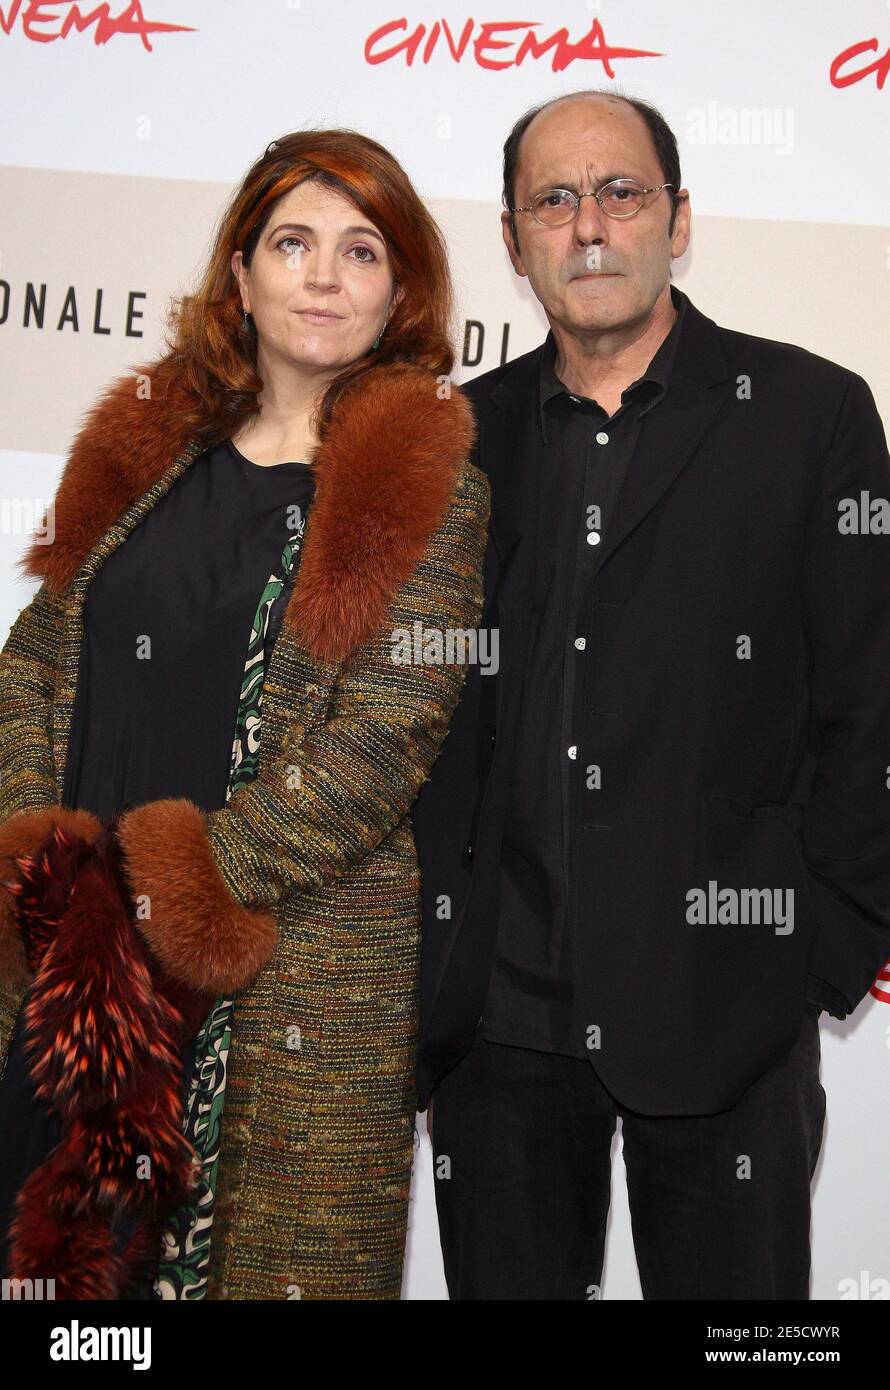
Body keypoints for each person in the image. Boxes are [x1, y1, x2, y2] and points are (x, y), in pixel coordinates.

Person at [412, 89, 890, 1299]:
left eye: (620, 192)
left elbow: (868, 700)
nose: (588, 225)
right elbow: (422, 722)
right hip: (500, 1025)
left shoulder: (807, 413)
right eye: (553, 199)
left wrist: (817, 954)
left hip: (727, 1005)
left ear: (676, 219)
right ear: (513, 239)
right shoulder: (454, 439)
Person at [0, 128, 489, 1300]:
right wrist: (47, 855)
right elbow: (29, 661)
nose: (324, 275)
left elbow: (382, 741)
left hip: (288, 968)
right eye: (293, 242)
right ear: (240, 275)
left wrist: (175, 890)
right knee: (78, 1292)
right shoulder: (146, 445)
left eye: (361, 250)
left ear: (399, 289)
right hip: (77, 972)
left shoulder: (425, 480)